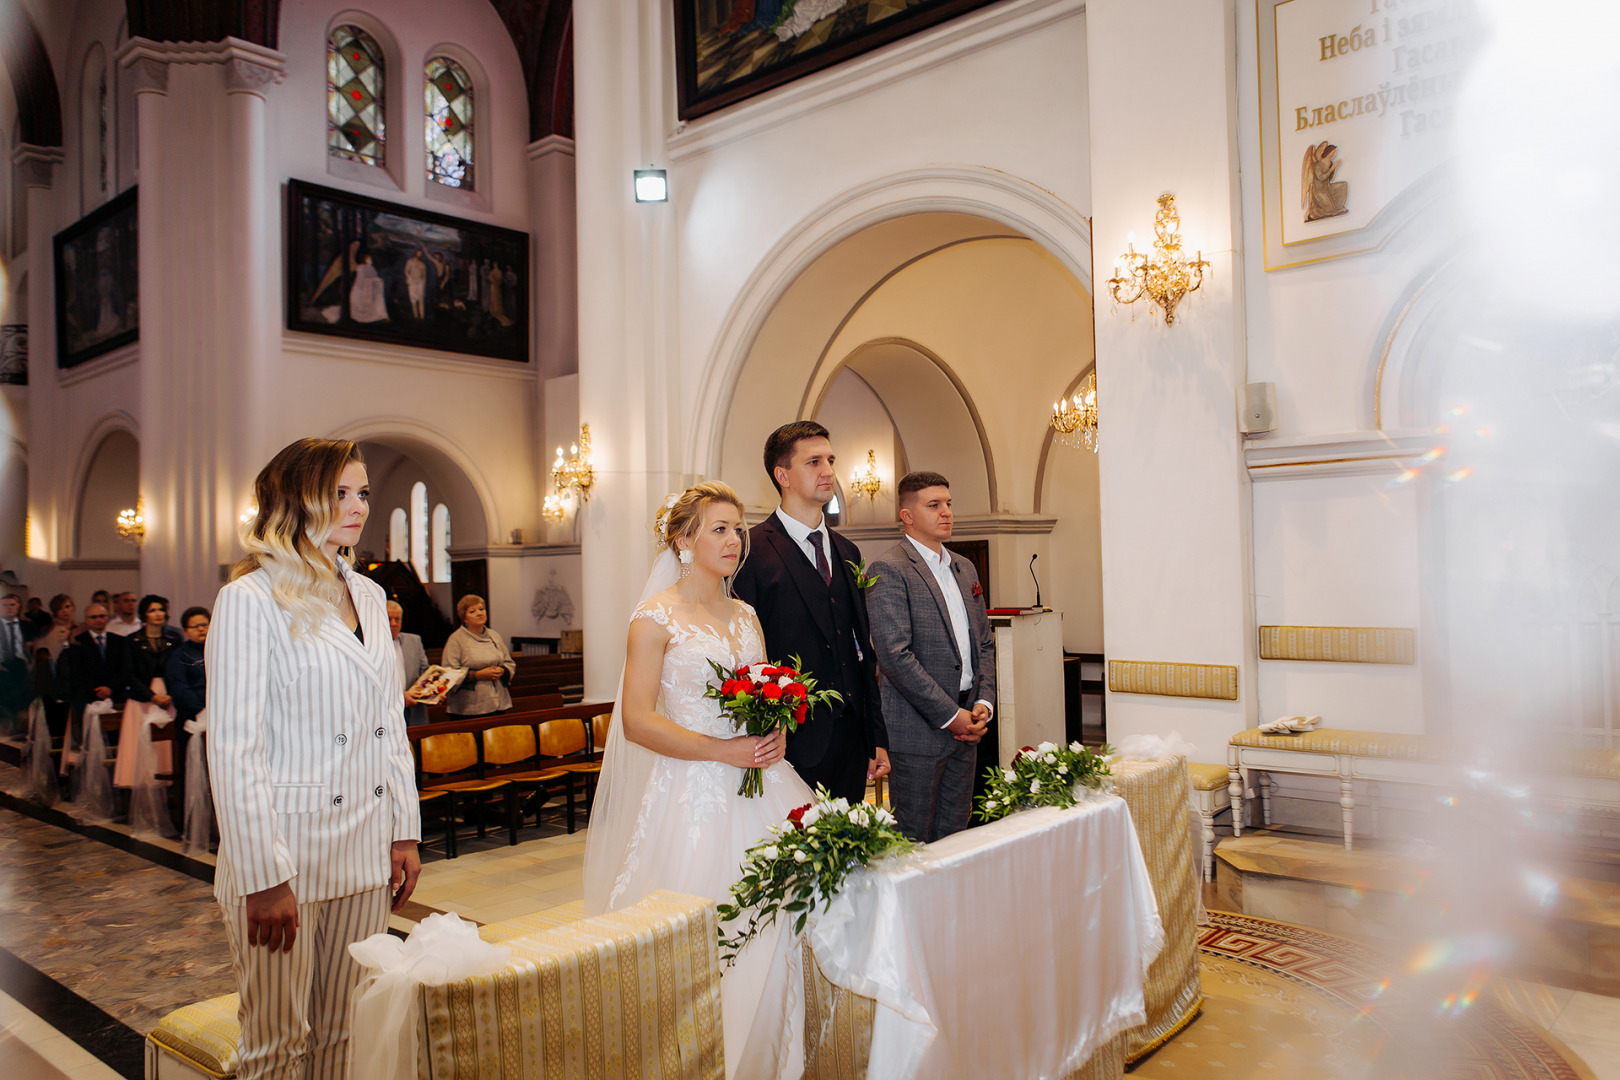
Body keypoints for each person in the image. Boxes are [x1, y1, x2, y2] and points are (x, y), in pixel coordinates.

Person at [207, 437, 421, 1080]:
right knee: (274, 1045)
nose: (357, 506)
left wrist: (404, 828)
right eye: (339, 493)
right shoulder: (250, 599)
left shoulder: (369, 596)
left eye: (362, 493)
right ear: (296, 498)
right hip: (287, 856)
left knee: (340, 1035)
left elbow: (390, 722)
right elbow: (234, 748)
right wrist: (262, 875)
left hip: (363, 847)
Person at [582, 482, 810, 1079]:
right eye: (719, 528)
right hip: (690, 793)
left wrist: (772, 733)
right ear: (684, 540)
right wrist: (722, 751)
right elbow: (635, 721)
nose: (735, 540)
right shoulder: (654, 618)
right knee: (705, 933)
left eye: (738, 528)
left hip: (762, 782)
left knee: (781, 919)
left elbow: (760, 696)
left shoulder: (747, 614)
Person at [730, 421, 887, 805]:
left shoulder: (847, 551)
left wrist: (876, 738)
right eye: (814, 461)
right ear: (782, 475)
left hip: (851, 739)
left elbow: (862, 650)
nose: (829, 471)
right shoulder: (750, 552)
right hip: (790, 740)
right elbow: (743, 655)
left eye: (830, 460)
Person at [865, 472, 996, 843]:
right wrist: (950, 716)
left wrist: (983, 701)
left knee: (956, 834)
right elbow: (894, 656)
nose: (946, 513)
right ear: (907, 515)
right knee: (914, 838)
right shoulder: (889, 569)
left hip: (968, 720)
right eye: (934, 505)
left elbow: (983, 643)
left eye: (949, 504)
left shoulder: (963, 567)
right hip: (918, 730)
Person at [440, 595, 515, 719]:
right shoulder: (456, 639)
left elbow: (509, 662)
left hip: (498, 702)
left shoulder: (494, 635)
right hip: (469, 708)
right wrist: (477, 675)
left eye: (481, 609)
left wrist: (502, 671)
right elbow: (449, 672)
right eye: (472, 611)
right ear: (464, 618)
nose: (479, 613)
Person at [167, 606, 210, 823]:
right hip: (191, 719)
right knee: (190, 773)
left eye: (205, 624)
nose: (201, 629)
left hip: (217, 719)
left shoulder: (220, 648)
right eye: (196, 626)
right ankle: (190, 822)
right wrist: (203, 708)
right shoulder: (180, 655)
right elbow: (179, 689)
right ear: (185, 630)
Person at [128, 595, 183, 706]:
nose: (158, 614)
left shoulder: (175, 638)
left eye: (161, 610)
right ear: (144, 614)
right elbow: (129, 673)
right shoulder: (133, 640)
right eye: (152, 610)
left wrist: (172, 694)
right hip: (142, 695)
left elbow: (180, 669)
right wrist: (151, 696)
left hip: (170, 693)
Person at [387, 600, 430, 725]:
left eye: (397, 619)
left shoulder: (414, 641)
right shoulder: (370, 645)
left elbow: (425, 671)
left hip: (415, 712)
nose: (393, 624)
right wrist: (399, 697)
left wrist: (435, 692)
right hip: (388, 714)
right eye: (389, 619)